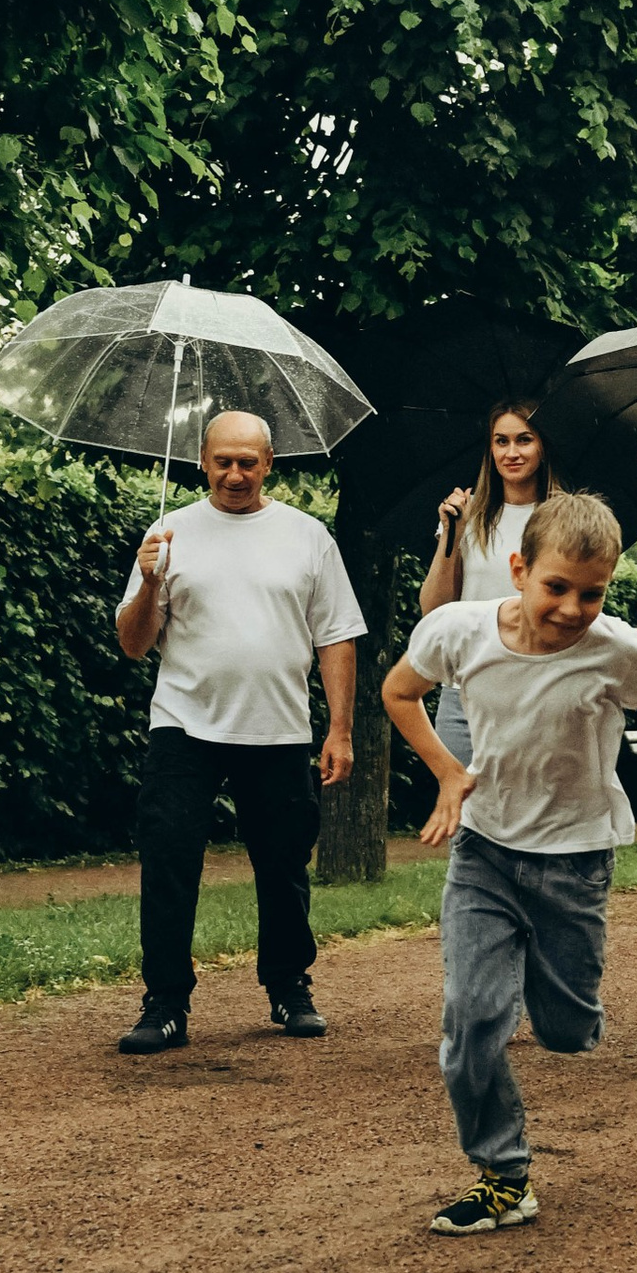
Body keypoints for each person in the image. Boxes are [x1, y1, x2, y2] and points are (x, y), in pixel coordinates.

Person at [386, 488, 637, 1237]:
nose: (574, 608)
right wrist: (447, 770)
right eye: (557, 587)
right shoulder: (458, 631)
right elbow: (399, 691)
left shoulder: (616, 649)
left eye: (593, 592)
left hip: (574, 865)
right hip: (483, 852)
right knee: (472, 1019)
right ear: (518, 568)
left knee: (568, 1033)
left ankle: (563, 1006)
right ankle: (504, 1177)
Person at [113, 411, 366, 1057]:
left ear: (269, 463)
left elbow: (335, 635)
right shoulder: (167, 535)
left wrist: (339, 728)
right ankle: (165, 1003)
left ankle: (289, 987)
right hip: (183, 726)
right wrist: (148, 582)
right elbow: (133, 644)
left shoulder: (308, 537)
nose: (234, 473)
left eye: (247, 462)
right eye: (222, 461)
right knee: (169, 861)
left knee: (284, 865)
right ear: (203, 462)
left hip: (277, 729)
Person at [415, 398, 561, 766]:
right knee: (461, 814)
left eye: (524, 440)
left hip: (539, 689)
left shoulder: (562, 516)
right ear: (490, 449)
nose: (511, 452)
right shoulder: (469, 513)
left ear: (543, 446)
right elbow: (433, 609)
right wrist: (453, 531)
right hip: (466, 689)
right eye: (501, 441)